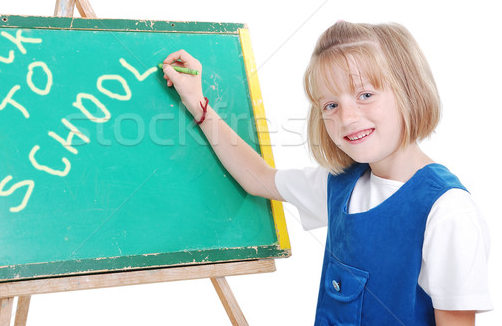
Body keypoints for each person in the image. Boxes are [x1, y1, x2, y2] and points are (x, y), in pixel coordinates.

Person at [161, 21, 492, 326]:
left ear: (410, 91)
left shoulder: (447, 211)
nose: (347, 117)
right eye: (330, 105)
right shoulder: (339, 185)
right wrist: (196, 102)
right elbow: (257, 177)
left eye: (365, 95)